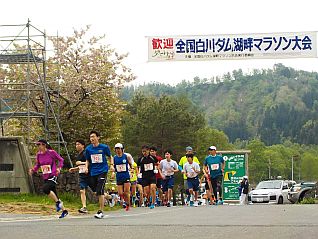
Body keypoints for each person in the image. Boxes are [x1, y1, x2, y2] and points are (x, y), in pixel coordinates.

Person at [29, 139, 68, 218]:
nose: (38, 147)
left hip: (53, 175)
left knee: (45, 189)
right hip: (46, 176)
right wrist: (33, 170)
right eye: (37, 145)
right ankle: (64, 211)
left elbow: (61, 160)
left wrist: (59, 168)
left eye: (39, 145)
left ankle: (57, 203)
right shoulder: (39, 155)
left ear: (44, 145)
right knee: (55, 195)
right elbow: (38, 165)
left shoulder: (51, 153)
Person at [84, 130, 114, 219]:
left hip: (103, 171)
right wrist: (86, 167)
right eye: (90, 137)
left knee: (100, 190)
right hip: (93, 172)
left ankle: (100, 211)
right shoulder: (88, 149)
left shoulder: (104, 147)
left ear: (98, 137)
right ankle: (109, 197)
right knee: (96, 192)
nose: (92, 138)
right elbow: (87, 160)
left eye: (93, 136)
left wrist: (111, 165)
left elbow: (110, 156)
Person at [69, 139, 90, 213]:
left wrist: (80, 163)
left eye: (78, 144)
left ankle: (110, 197)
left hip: (89, 173)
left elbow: (90, 163)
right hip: (81, 174)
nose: (77, 146)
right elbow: (80, 166)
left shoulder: (85, 153)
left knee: (96, 191)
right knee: (81, 190)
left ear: (83, 145)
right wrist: (74, 169)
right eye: (76, 144)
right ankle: (84, 207)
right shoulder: (78, 155)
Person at [112, 143, 133, 211]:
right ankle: (125, 201)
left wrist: (131, 171)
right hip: (119, 176)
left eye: (119, 149)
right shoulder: (114, 158)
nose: (118, 150)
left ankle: (128, 204)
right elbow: (113, 167)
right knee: (120, 193)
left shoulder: (126, 156)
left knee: (126, 192)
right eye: (116, 149)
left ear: (122, 149)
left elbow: (130, 164)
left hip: (126, 175)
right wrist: (113, 172)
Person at [137, 145, 158, 209]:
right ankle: (149, 199)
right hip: (145, 177)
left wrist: (156, 169)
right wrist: (138, 173)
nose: (144, 153)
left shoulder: (153, 158)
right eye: (143, 152)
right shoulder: (140, 159)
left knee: (153, 188)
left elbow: (157, 163)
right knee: (146, 192)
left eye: (145, 151)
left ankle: (153, 203)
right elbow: (137, 167)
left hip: (152, 176)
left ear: (148, 151)